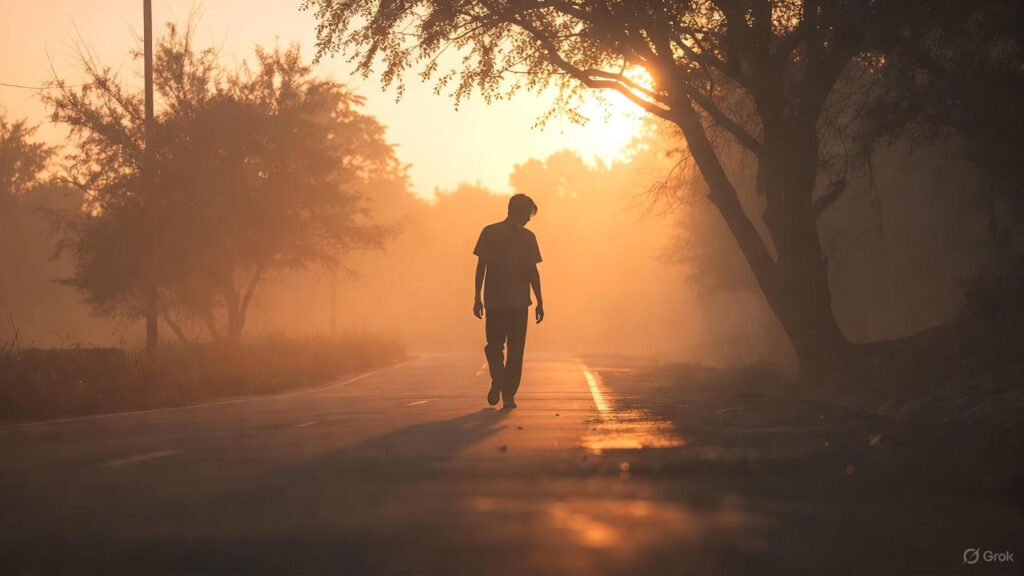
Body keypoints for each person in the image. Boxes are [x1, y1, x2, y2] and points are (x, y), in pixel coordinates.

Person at [473, 193, 544, 409]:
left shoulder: (490, 232)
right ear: (519, 211)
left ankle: (501, 382)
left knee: (495, 346)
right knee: (515, 350)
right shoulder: (525, 237)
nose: (529, 219)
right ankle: (506, 391)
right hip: (516, 304)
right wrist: (539, 301)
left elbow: (481, 267)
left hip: (497, 302)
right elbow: (533, 272)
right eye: (528, 214)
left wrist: (478, 297)